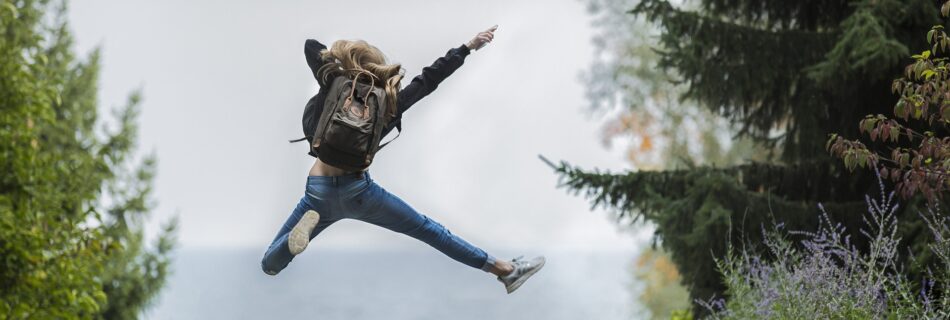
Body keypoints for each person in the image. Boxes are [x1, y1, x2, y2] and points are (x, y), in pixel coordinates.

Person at [260, 25, 545, 294]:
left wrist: (340, 63)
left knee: (270, 265)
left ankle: (292, 243)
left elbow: (312, 46)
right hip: (359, 192)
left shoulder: (334, 83)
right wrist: (467, 47)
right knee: (430, 231)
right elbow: (429, 80)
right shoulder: (388, 102)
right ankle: (504, 270)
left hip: (318, 191)